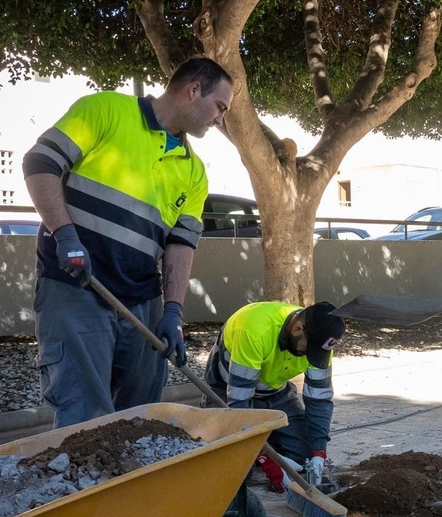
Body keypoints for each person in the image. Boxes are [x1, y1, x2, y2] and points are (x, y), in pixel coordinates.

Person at [22, 58, 224, 428]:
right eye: (219, 107)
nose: (220, 119)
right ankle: (86, 485)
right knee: (84, 417)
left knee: (141, 418)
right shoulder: (105, 110)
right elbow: (40, 162)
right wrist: (65, 235)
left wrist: (173, 313)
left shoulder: (194, 172)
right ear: (194, 90)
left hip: (142, 302)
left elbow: (181, 245)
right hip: (76, 288)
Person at [205, 301, 346, 493]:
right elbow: (239, 406)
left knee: (303, 457)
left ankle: (267, 439)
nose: (309, 355)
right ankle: (260, 444)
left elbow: (319, 399)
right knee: (237, 469)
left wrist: (319, 452)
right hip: (227, 391)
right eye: (308, 349)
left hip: (275, 392)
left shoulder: (319, 343)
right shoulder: (253, 330)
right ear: (298, 328)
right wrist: (264, 456)